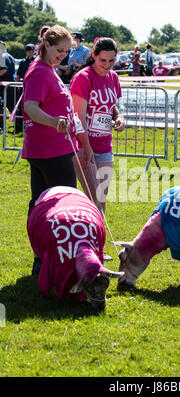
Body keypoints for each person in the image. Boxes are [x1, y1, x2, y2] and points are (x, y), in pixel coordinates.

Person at [21, 25, 92, 272]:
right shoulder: (40, 71)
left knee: (41, 205)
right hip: (50, 150)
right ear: (46, 45)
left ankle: (43, 260)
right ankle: (63, 260)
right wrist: (54, 122)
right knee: (63, 206)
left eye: (67, 51)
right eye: (59, 50)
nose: (63, 55)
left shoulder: (47, 69)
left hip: (48, 149)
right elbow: (29, 106)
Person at [70, 37, 125, 218]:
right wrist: (86, 147)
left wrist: (119, 118)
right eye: (103, 60)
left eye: (112, 61)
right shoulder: (83, 78)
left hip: (104, 145)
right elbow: (78, 117)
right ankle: (94, 239)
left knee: (101, 199)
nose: (107, 65)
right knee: (94, 200)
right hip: (84, 145)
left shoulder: (114, 77)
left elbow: (111, 106)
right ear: (93, 55)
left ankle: (96, 239)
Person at [0, 41, 16, 129]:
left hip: (4, 86)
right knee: (13, 106)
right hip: (11, 84)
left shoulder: (1, 56)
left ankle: (1, 127)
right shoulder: (10, 56)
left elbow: (3, 70)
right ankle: (19, 126)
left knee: (2, 106)